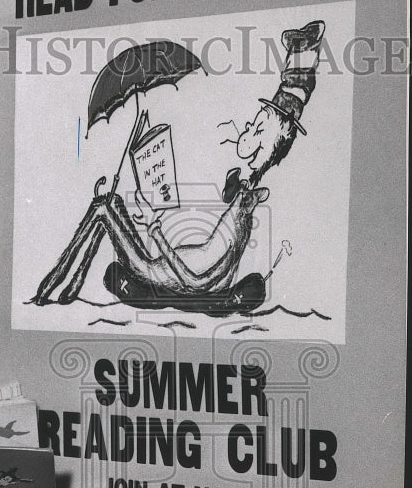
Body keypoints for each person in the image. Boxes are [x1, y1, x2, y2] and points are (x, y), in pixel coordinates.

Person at [33, 20, 325, 314]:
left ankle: (52, 286)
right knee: (111, 202)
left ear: (264, 143)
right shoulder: (243, 203)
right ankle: (71, 284)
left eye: (257, 127)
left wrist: (155, 230)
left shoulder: (240, 213)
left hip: (154, 271)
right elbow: (217, 275)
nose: (248, 127)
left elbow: (195, 282)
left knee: (102, 208)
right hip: (164, 270)